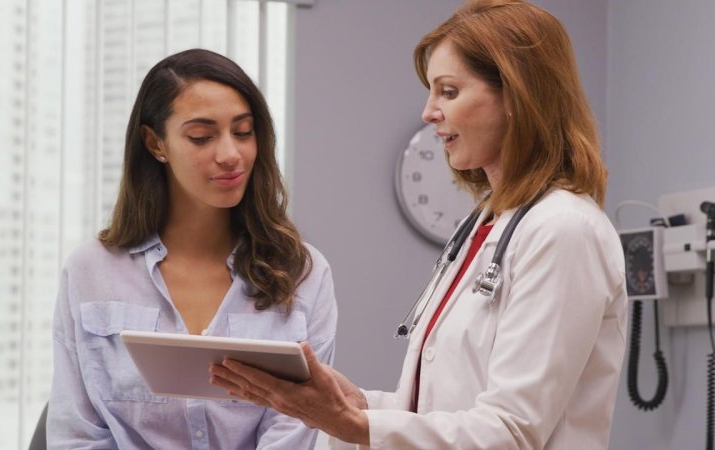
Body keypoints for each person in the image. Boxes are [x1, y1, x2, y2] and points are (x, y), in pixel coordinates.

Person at [210, 1, 627, 448]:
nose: (429, 112)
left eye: (448, 92)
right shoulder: (485, 226)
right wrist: (356, 406)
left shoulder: (564, 231)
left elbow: (511, 432)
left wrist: (353, 425)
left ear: (516, 96)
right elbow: (439, 410)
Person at [47, 48, 338, 449]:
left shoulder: (304, 273)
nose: (230, 155)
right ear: (155, 144)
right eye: (201, 137)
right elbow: (76, 434)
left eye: (243, 132)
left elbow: (296, 431)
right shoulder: (90, 271)